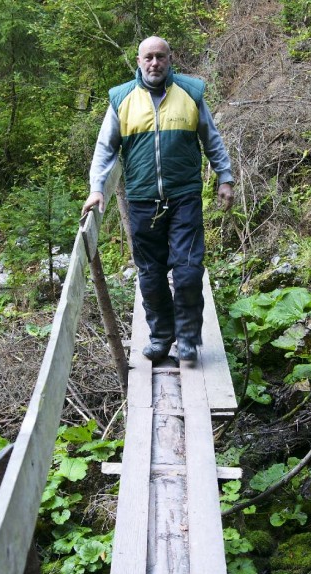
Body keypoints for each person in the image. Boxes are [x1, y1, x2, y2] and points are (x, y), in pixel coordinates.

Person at [82, 35, 234, 363]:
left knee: (189, 271)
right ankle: (162, 336)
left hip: (184, 197)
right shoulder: (121, 99)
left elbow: (212, 138)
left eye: (160, 57)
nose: (154, 63)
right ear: (139, 61)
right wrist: (97, 189)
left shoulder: (191, 93)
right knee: (150, 275)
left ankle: (190, 338)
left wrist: (225, 177)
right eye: (148, 57)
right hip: (141, 200)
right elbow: (105, 149)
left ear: (169, 59)